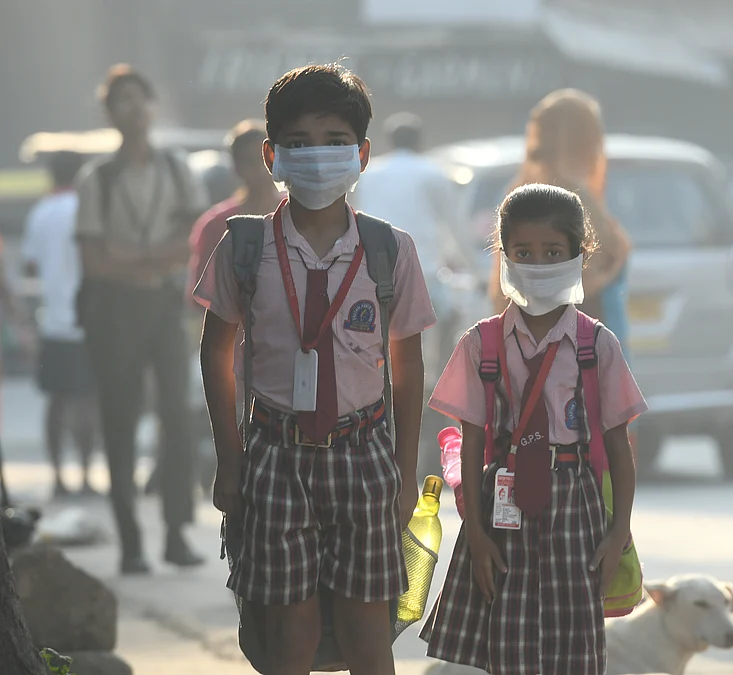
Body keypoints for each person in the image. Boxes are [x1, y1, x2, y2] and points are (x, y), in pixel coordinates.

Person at [196, 63, 435, 675]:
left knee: (367, 627)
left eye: (334, 142)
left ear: (363, 153)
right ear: (271, 154)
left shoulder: (389, 250)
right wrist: (230, 461)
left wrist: (405, 472)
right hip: (274, 453)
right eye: (298, 144)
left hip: (365, 451)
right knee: (287, 626)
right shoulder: (243, 247)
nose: (318, 157)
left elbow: (408, 367)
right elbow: (215, 351)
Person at [422, 183, 644, 675]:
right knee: (510, 643)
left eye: (553, 252)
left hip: (575, 506)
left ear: (578, 257)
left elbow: (619, 447)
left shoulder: (597, 345)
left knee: (574, 648)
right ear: (503, 256)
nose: (538, 264)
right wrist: (476, 535)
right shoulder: (480, 344)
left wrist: (618, 533)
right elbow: (474, 440)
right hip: (502, 511)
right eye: (523, 252)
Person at [74, 64, 208, 574]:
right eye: (122, 101)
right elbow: (95, 261)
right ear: (110, 112)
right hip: (115, 309)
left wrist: (134, 255)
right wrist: (156, 256)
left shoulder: (177, 171)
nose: (133, 109)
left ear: (152, 107)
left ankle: (175, 532)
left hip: (161, 306)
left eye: (140, 99)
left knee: (176, 418)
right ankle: (131, 541)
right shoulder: (98, 180)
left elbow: (190, 248)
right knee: (120, 421)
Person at [488, 90, 632, 346]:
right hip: (579, 349)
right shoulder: (574, 199)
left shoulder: (521, 190)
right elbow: (573, 283)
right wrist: (615, 263)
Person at [351, 111, 467, 366]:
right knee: (425, 335)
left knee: (377, 331)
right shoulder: (434, 173)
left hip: (371, 264)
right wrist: (463, 261)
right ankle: (426, 391)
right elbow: (453, 224)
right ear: (419, 141)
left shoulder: (368, 174)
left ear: (390, 141)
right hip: (423, 266)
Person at [22, 150, 100, 498]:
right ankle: (85, 477)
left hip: (53, 322)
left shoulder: (39, 213)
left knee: (56, 402)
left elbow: (30, 267)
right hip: (87, 322)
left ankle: (57, 478)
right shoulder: (87, 209)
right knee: (87, 401)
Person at [187, 120, 283, 307]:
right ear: (236, 168)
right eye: (250, 160)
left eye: (265, 158)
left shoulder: (296, 214)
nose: (260, 169)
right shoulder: (217, 225)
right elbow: (200, 298)